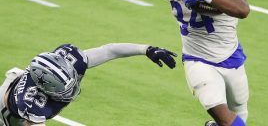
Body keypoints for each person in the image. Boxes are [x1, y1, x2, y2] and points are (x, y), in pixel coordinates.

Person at [153, 0, 250, 126]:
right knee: (227, 120)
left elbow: (242, 9)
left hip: (230, 53)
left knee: (240, 115)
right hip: (197, 58)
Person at [0, 43, 177, 125]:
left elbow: (109, 51)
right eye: (65, 88)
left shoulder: (71, 62)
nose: (72, 88)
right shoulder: (31, 102)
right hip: (6, 113)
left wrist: (146, 49)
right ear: (46, 88)